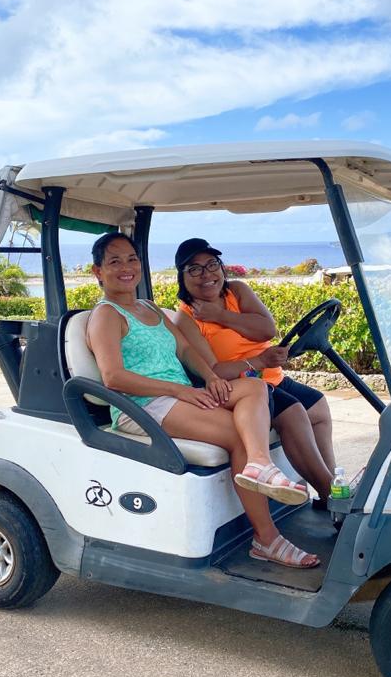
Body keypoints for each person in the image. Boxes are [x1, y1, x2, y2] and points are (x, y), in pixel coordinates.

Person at [85, 232, 319, 569]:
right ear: (98, 271)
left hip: (180, 396)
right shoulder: (106, 315)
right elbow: (113, 377)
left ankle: (258, 463)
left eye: (132, 259)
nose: (126, 267)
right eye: (115, 261)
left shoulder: (148, 307)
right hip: (143, 405)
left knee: (254, 388)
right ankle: (266, 540)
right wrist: (179, 390)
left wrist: (210, 378)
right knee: (237, 431)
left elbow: (184, 349)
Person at [171, 238, 340, 501]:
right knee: (293, 412)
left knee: (318, 406)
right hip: (241, 388)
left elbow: (267, 330)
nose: (206, 274)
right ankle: (332, 495)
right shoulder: (186, 318)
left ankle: (329, 488)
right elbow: (213, 372)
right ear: (182, 277)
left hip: (272, 378)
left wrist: (220, 316)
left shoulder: (237, 291)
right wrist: (259, 361)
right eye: (194, 269)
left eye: (212, 264)